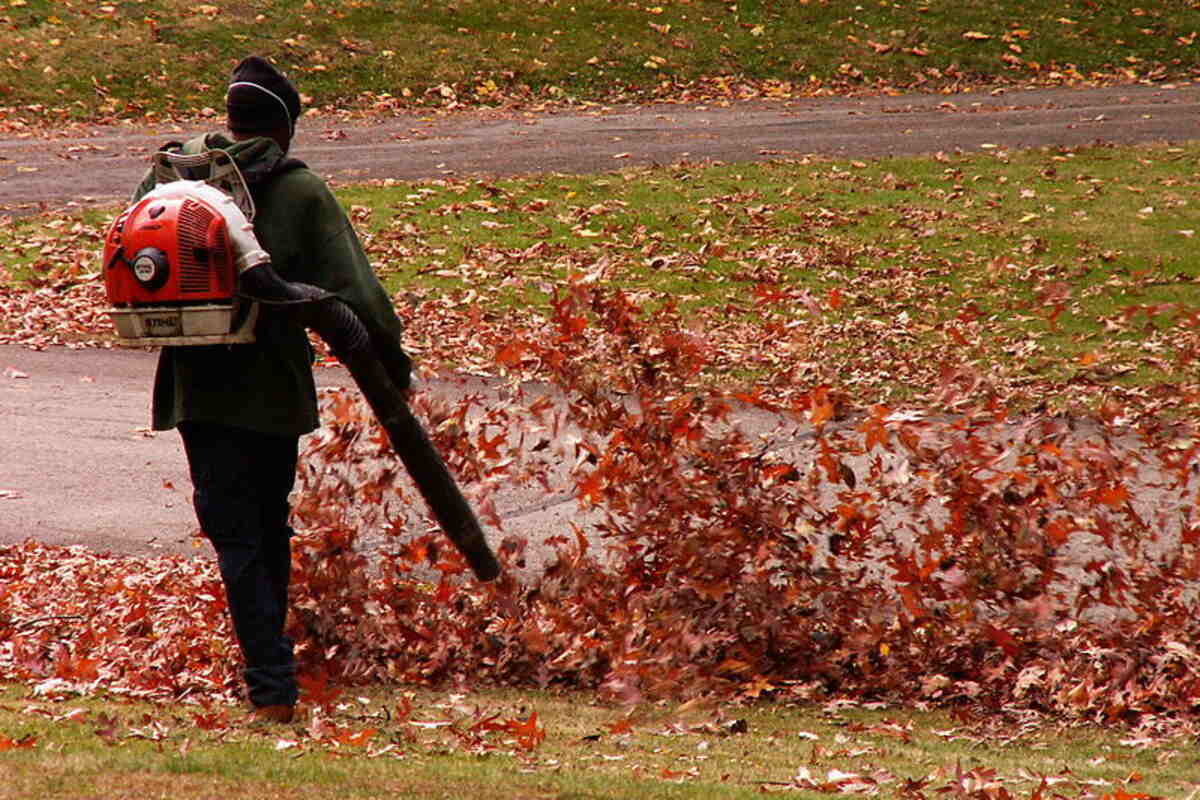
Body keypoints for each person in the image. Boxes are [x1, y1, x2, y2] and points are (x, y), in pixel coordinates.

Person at [130, 55, 412, 723]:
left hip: (194, 384)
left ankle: (269, 677)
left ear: (232, 118)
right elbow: (360, 295)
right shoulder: (297, 188)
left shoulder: (168, 179)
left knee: (237, 533)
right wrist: (392, 370)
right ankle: (272, 687)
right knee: (263, 527)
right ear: (283, 128)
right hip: (271, 388)